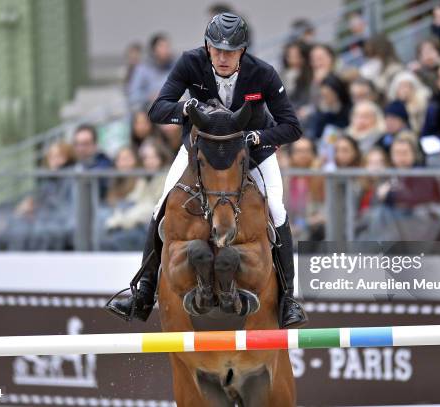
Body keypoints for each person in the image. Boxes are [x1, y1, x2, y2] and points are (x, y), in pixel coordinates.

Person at [106, 12, 307, 328]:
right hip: (201, 153)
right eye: (217, 50)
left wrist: (257, 137)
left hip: (252, 153)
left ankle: (288, 300)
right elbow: (157, 110)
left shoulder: (263, 73)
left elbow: (292, 126)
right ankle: (143, 293)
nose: (223, 57)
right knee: (161, 205)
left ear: (243, 50)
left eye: (231, 51)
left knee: (277, 210)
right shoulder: (190, 63)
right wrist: (184, 108)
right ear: (207, 47)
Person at [127, 33, 175, 111]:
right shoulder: (142, 69)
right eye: (162, 47)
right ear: (154, 50)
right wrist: (150, 96)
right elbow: (132, 96)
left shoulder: (174, 68)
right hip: (148, 111)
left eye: (167, 47)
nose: (166, 50)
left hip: (172, 110)